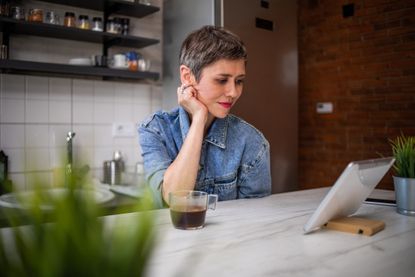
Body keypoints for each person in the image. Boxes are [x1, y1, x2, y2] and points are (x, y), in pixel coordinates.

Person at [138, 25, 271, 208]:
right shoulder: (155, 130)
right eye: (222, 80)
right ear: (187, 76)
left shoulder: (253, 142)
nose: (233, 92)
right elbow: (171, 199)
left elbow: (256, 217)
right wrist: (199, 118)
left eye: (239, 81)